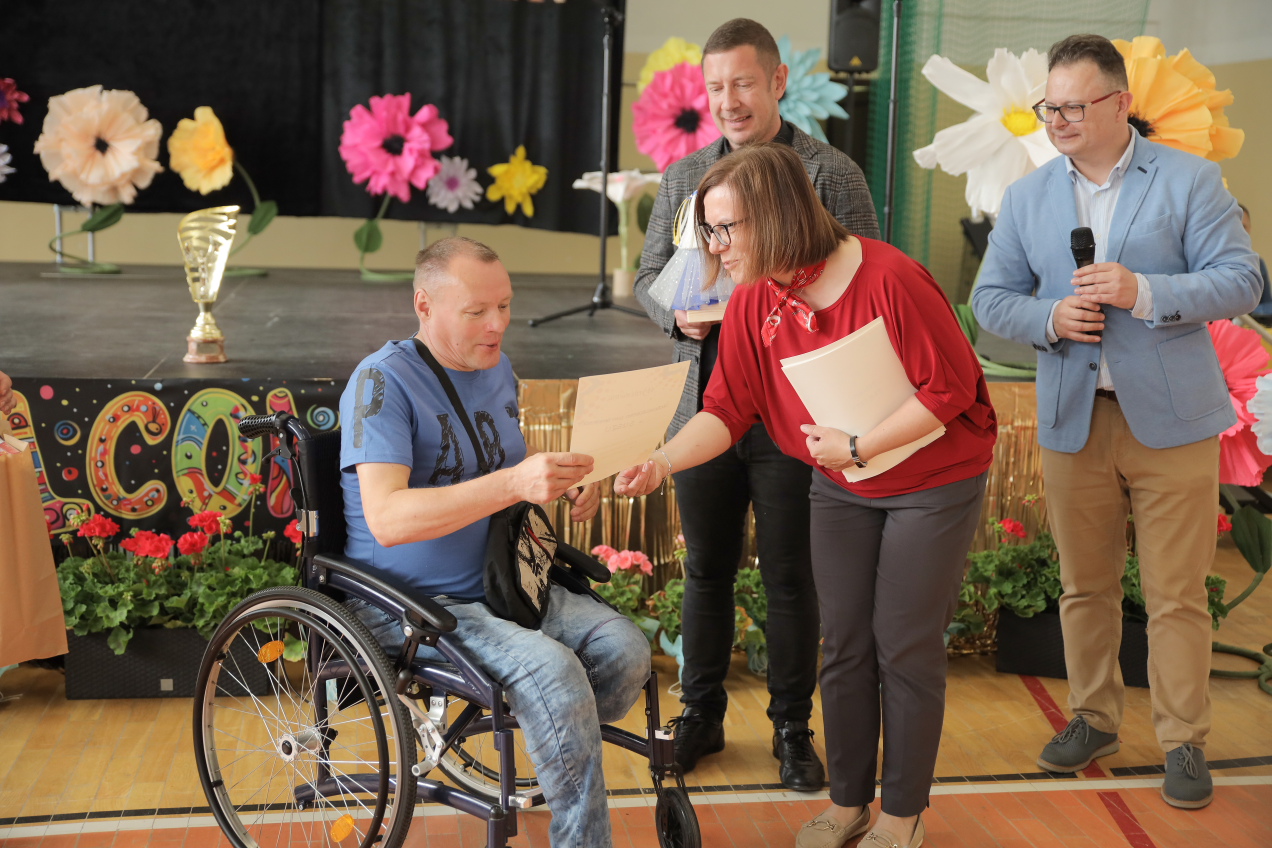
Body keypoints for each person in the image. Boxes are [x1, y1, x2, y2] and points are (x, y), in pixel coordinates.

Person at [619, 143, 996, 848]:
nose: (714, 248)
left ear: (777, 216)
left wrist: (860, 446)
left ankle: (902, 815)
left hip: (931, 482)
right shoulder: (753, 297)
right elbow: (726, 408)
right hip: (843, 484)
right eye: (708, 230)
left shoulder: (890, 276)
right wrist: (661, 462)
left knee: (904, 646)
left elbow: (950, 390)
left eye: (725, 229)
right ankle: (849, 804)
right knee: (844, 643)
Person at [973, 34, 1261, 810]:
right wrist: (1051, 317)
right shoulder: (1028, 197)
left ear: (1121, 103)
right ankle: (1094, 719)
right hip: (1075, 417)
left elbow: (1242, 280)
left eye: (1074, 106)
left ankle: (1183, 741)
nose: (1058, 121)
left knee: (1176, 594)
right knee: (1084, 586)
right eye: (1050, 107)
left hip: (1174, 421)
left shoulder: (1190, 180)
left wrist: (1145, 291)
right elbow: (990, 299)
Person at [338, 236, 651, 848]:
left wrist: (557, 481)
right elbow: (388, 520)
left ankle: (551, 724)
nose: (497, 324)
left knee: (625, 653)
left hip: (501, 582)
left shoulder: (495, 367)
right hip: (410, 602)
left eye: (504, 306)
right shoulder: (382, 382)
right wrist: (514, 483)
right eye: (477, 311)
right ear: (424, 305)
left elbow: (499, 468)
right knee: (555, 676)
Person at [633, 17, 880, 791]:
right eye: (715, 87)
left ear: (777, 81)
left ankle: (792, 731)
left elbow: (868, 282)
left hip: (794, 412)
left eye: (743, 82)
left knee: (790, 576)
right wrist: (676, 316)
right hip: (703, 406)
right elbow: (646, 277)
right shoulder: (684, 176)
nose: (728, 100)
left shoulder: (831, 173)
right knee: (704, 568)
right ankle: (700, 716)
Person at [1238, 204, 1272, 321]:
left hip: (1251, 326)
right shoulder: (1210, 264)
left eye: (1243, 227)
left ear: (1250, 229)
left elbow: (1268, 305)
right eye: (1235, 227)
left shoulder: (1258, 263)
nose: (1239, 233)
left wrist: (1250, 312)